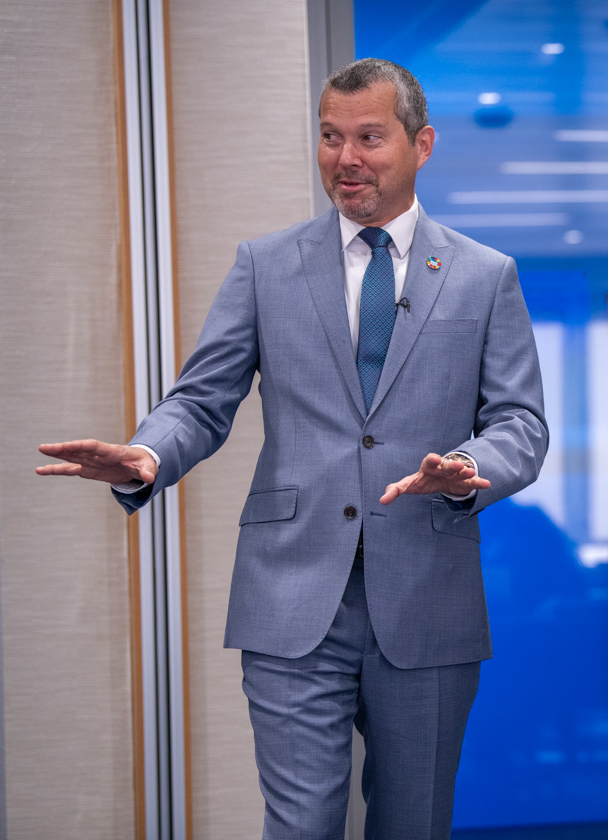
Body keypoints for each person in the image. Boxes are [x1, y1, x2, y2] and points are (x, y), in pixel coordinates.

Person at [37, 58, 547, 838]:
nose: (346, 158)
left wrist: (467, 469)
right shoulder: (265, 266)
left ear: (421, 144)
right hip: (291, 592)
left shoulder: (485, 276)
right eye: (330, 137)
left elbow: (520, 424)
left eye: (369, 137)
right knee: (302, 825)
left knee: (413, 824)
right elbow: (200, 399)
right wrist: (149, 455)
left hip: (427, 596)